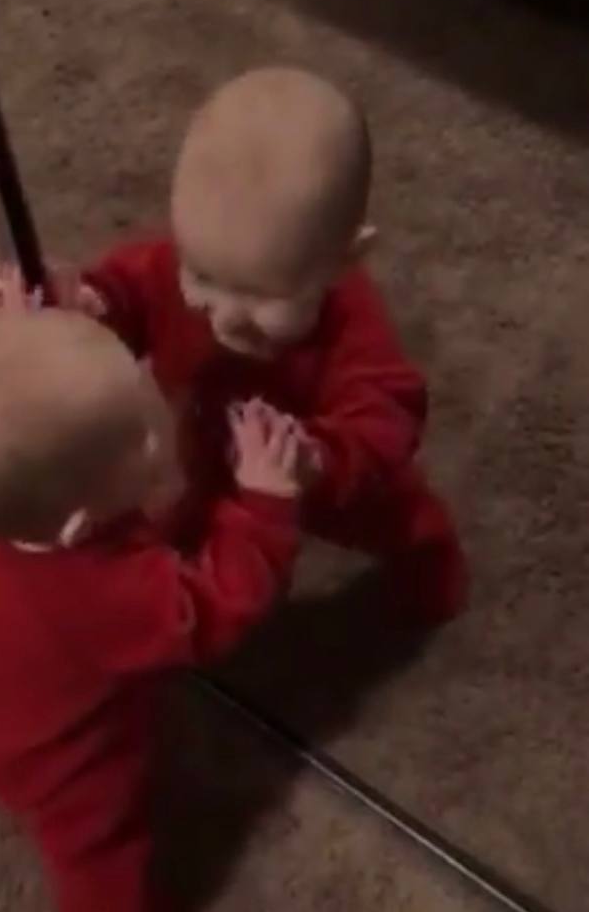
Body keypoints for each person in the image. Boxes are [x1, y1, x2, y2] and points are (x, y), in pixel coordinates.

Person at [0, 307, 305, 912]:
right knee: (99, 840)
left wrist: (23, 333)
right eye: (146, 432)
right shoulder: (102, 592)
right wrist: (263, 504)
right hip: (58, 758)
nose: (160, 408)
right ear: (81, 525)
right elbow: (215, 611)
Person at [61, 66, 468, 625]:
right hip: (199, 437)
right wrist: (95, 304)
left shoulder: (352, 325)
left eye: (258, 294)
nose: (223, 313)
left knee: (394, 515)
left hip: (314, 469)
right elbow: (130, 286)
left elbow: (389, 412)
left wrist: (315, 460)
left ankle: (430, 555)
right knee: (185, 506)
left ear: (343, 261)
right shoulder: (176, 259)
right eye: (201, 275)